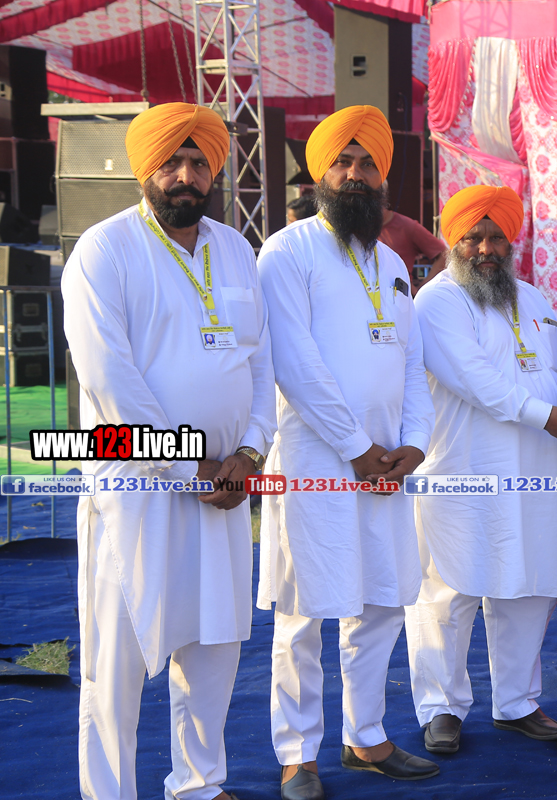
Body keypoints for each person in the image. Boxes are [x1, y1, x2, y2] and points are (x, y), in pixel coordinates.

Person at [63, 102, 276, 800]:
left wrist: (249, 454)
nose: (187, 174)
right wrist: (189, 466)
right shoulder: (104, 250)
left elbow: (260, 363)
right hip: (137, 489)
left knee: (215, 646)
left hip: (225, 489)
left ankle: (200, 785)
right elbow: (110, 380)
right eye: (172, 161)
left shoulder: (235, 248)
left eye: (199, 161)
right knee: (115, 663)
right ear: (144, 167)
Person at [256, 105, 438, 800]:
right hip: (317, 464)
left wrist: (414, 443)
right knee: (302, 613)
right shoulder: (286, 252)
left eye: (367, 163)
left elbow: (411, 362)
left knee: (383, 601)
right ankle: (297, 754)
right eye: (343, 162)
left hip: (387, 464)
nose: (355, 174)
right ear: (318, 174)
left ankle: (366, 736)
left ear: (383, 176)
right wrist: (358, 449)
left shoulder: (391, 261)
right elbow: (295, 365)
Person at [406, 185, 557, 754]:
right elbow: (477, 382)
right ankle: (441, 708)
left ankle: (516, 702)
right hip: (461, 473)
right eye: (473, 238)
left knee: (527, 586)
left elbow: (556, 371)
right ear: (453, 242)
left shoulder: (534, 301)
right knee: (448, 592)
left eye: (496, 238)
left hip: (534, 472)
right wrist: (550, 416)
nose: (486, 248)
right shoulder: (437, 302)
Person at [378, 206, 448, 290]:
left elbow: (444, 255)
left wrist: (422, 289)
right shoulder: (364, 228)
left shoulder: (407, 226)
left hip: (397, 292)